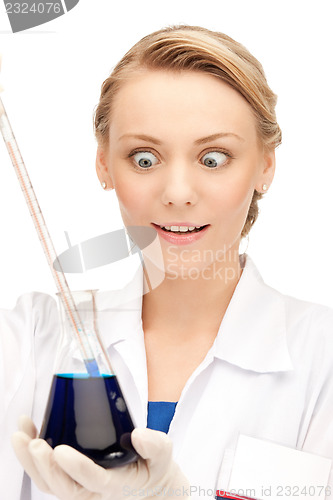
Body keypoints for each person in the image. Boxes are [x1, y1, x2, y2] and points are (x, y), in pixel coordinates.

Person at [2, 24, 333, 500]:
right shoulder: (32, 339)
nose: (177, 193)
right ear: (103, 164)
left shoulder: (321, 359)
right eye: (144, 158)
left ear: (265, 165)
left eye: (214, 158)